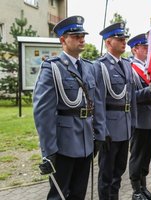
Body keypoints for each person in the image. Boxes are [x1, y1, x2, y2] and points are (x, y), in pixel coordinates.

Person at [33, 15, 103, 200]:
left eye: (83, 35)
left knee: (79, 193)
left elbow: (95, 104)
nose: (82, 39)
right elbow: (43, 113)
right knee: (59, 194)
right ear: (63, 40)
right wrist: (48, 152)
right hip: (63, 144)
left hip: (86, 140)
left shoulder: (89, 67)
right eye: (76, 35)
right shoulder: (52, 68)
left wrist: (98, 134)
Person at [94, 22, 137, 200]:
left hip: (125, 126)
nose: (123, 42)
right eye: (119, 39)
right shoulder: (100, 66)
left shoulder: (127, 65)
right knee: (106, 174)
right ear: (108, 42)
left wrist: (133, 122)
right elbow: (98, 101)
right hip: (110, 130)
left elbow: (131, 96)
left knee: (119, 172)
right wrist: (101, 130)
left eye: (124, 39)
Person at [127, 33, 151, 199]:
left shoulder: (148, 68)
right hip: (139, 118)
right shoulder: (131, 69)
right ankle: (136, 189)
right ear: (135, 49)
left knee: (146, 155)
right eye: (144, 47)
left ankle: (143, 186)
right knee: (137, 155)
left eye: (147, 47)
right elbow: (132, 97)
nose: (147, 50)